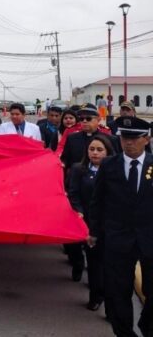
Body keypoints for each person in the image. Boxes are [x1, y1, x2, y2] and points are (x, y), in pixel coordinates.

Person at [88, 117, 153, 337]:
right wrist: (94, 232)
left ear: (147, 139)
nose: (129, 143)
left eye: (135, 138)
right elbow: (98, 201)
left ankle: (147, 324)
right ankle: (125, 333)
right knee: (118, 291)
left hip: (149, 238)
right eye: (125, 137)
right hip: (117, 237)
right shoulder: (109, 165)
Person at [67, 134, 116, 311]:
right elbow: (73, 193)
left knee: (110, 264)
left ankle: (111, 300)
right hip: (88, 223)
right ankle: (96, 296)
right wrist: (79, 210)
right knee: (94, 262)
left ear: (108, 152)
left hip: (111, 224)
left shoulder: (116, 171)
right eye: (92, 149)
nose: (95, 153)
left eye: (99, 150)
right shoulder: (79, 169)